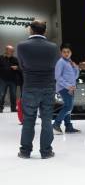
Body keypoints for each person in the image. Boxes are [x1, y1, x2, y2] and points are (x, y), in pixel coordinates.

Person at [16, 20, 59, 159]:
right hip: (48, 87)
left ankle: (25, 151)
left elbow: (22, 66)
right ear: (44, 31)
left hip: (30, 86)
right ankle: (46, 152)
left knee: (29, 119)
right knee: (47, 119)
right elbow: (53, 65)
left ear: (31, 30)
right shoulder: (53, 47)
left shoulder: (22, 46)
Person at [52, 43, 80, 134]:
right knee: (68, 106)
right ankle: (56, 124)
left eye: (68, 52)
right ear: (61, 52)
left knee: (69, 107)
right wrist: (68, 86)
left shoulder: (69, 62)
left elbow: (75, 77)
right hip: (64, 88)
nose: (66, 54)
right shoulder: (60, 62)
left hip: (71, 88)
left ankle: (68, 126)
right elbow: (57, 77)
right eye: (64, 52)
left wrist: (75, 67)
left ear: (71, 52)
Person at [0, 45, 19, 112]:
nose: (12, 52)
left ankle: (13, 108)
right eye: (11, 50)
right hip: (3, 79)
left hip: (13, 80)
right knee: (1, 94)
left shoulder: (15, 59)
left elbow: (19, 68)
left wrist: (17, 68)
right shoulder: (1, 58)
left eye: (13, 51)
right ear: (6, 50)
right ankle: (0, 108)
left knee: (13, 95)